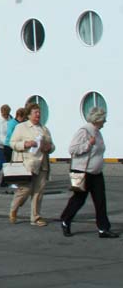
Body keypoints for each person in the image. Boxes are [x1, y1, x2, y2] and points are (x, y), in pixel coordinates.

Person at [60, 107, 117, 238]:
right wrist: (88, 144)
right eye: (103, 119)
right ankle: (65, 220)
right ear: (98, 119)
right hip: (81, 172)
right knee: (79, 199)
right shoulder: (84, 131)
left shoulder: (98, 132)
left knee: (100, 201)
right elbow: (72, 149)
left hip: (96, 173)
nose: (105, 122)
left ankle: (103, 228)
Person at [9, 102, 54, 226]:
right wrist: (25, 144)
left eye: (39, 112)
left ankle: (35, 217)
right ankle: (14, 208)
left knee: (39, 191)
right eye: (35, 112)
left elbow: (52, 146)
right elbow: (12, 143)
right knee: (25, 190)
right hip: (27, 164)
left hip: (42, 164)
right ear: (29, 115)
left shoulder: (44, 129)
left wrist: (49, 147)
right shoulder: (21, 127)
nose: (38, 115)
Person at [3, 107, 26, 190]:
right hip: (9, 146)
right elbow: (10, 135)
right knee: (10, 164)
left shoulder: (13, 122)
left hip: (10, 145)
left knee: (10, 164)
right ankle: (10, 182)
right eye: (24, 118)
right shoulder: (13, 123)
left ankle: (6, 182)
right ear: (20, 116)